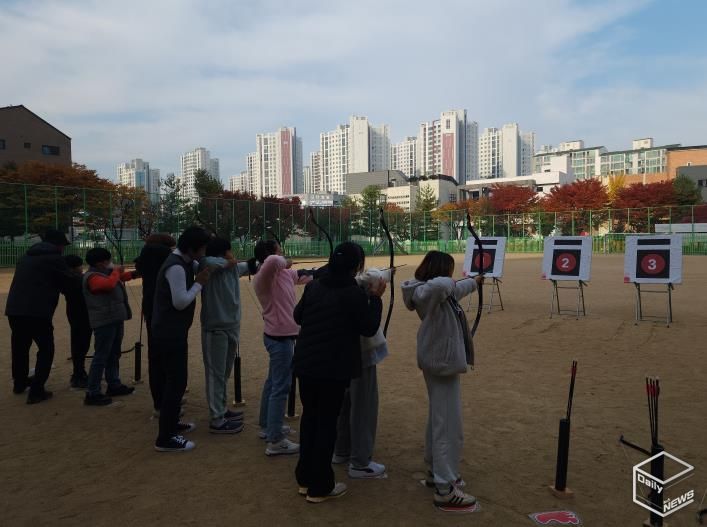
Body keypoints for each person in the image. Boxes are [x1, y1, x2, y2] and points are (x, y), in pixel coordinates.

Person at [292, 242, 385, 503]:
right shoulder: (352, 293)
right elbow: (368, 327)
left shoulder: (315, 286)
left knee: (310, 419)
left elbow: (298, 316)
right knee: (326, 423)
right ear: (356, 266)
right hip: (332, 368)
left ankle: (305, 478)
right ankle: (320, 486)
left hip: (306, 364)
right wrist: (376, 298)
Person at [401, 251, 482, 510]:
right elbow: (443, 286)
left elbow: (452, 290)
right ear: (440, 271)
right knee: (447, 423)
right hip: (441, 362)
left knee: (440, 416)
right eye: (448, 270)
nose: (451, 275)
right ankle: (445, 488)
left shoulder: (436, 292)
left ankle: (435, 470)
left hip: (439, 360)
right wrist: (453, 280)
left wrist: (474, 282)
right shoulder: (429, 291)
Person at [248, 239, 311, 456]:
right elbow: (275, 261)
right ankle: (275, 440)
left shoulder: (284, 274)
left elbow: (304, 275)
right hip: (278, 339)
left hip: (283, 337)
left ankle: (268, 426)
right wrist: (286, 260)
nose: (282, 253)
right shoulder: (263, 277)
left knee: (273, 382)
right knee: (281, 387)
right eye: (279, 249)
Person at [152, 226, 211, 453]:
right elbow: (180, 302)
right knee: (175, 383)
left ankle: (172, 423)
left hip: (172, 331)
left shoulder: (184, 261)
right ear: (192, 248)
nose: (204, 253)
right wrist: (199, 283)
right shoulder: (176, 266)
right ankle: (165, 438)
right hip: (169, 332)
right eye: (202, 248)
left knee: (175, 381)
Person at [334, 252, 392, 479]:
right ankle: (360, 462)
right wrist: (380, 288)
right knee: (364, 406)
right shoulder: (358, 285)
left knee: (345, 403)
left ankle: (341, 450)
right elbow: (373, 277)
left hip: (340, 353)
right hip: (361, 354)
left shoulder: (332, 282)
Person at [5, 229, 75, 404]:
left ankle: (20, 383)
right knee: (46, 349)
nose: (63, 249)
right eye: (63, 245)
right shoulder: (54, 258)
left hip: (15, 309)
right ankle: (36, 391)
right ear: (58, 245)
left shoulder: (25, 257)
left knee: (20, 347)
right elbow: (69, 283)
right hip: (37, 311)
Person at [199, 237, 249, 434]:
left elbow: (250, 266)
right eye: (229, 250)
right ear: (224, 252)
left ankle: (221, 409)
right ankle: (217, 420)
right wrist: (230, 261)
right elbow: (211, 262)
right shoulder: (207, 264)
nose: (232, 253)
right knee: (215, 374)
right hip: (215, 328)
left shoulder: (232, 268)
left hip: (231, 326)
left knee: (224, 372)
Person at [82, 248, 138, 406]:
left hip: (115, 318)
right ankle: (92, 392)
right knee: (101, 356)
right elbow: (108, 285)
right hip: (104, 321)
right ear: (101, 263)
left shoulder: (106, 273)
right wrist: (116, 271)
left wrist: (137, 272)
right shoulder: (92, 276)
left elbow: (122, 277)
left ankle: (114, 384)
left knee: (114, 354)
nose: (110, 262)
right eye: (108, 260)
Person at [134, 233, 176, 416]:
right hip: (162, 311)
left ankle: (162, 399)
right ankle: (163, 401)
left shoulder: (145, 258)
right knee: (163, 357)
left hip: (151, 309)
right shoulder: (163, 256)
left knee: (156, 356)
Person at [63, 255, 92, 389]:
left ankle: (78, 373)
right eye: (80, 266)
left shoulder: (68, 278)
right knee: (81, 345)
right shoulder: (77, 279)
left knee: (78, 344)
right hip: (82, 315)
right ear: (75, 267)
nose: (82, 268)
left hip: (74, 314)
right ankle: (78, 375)